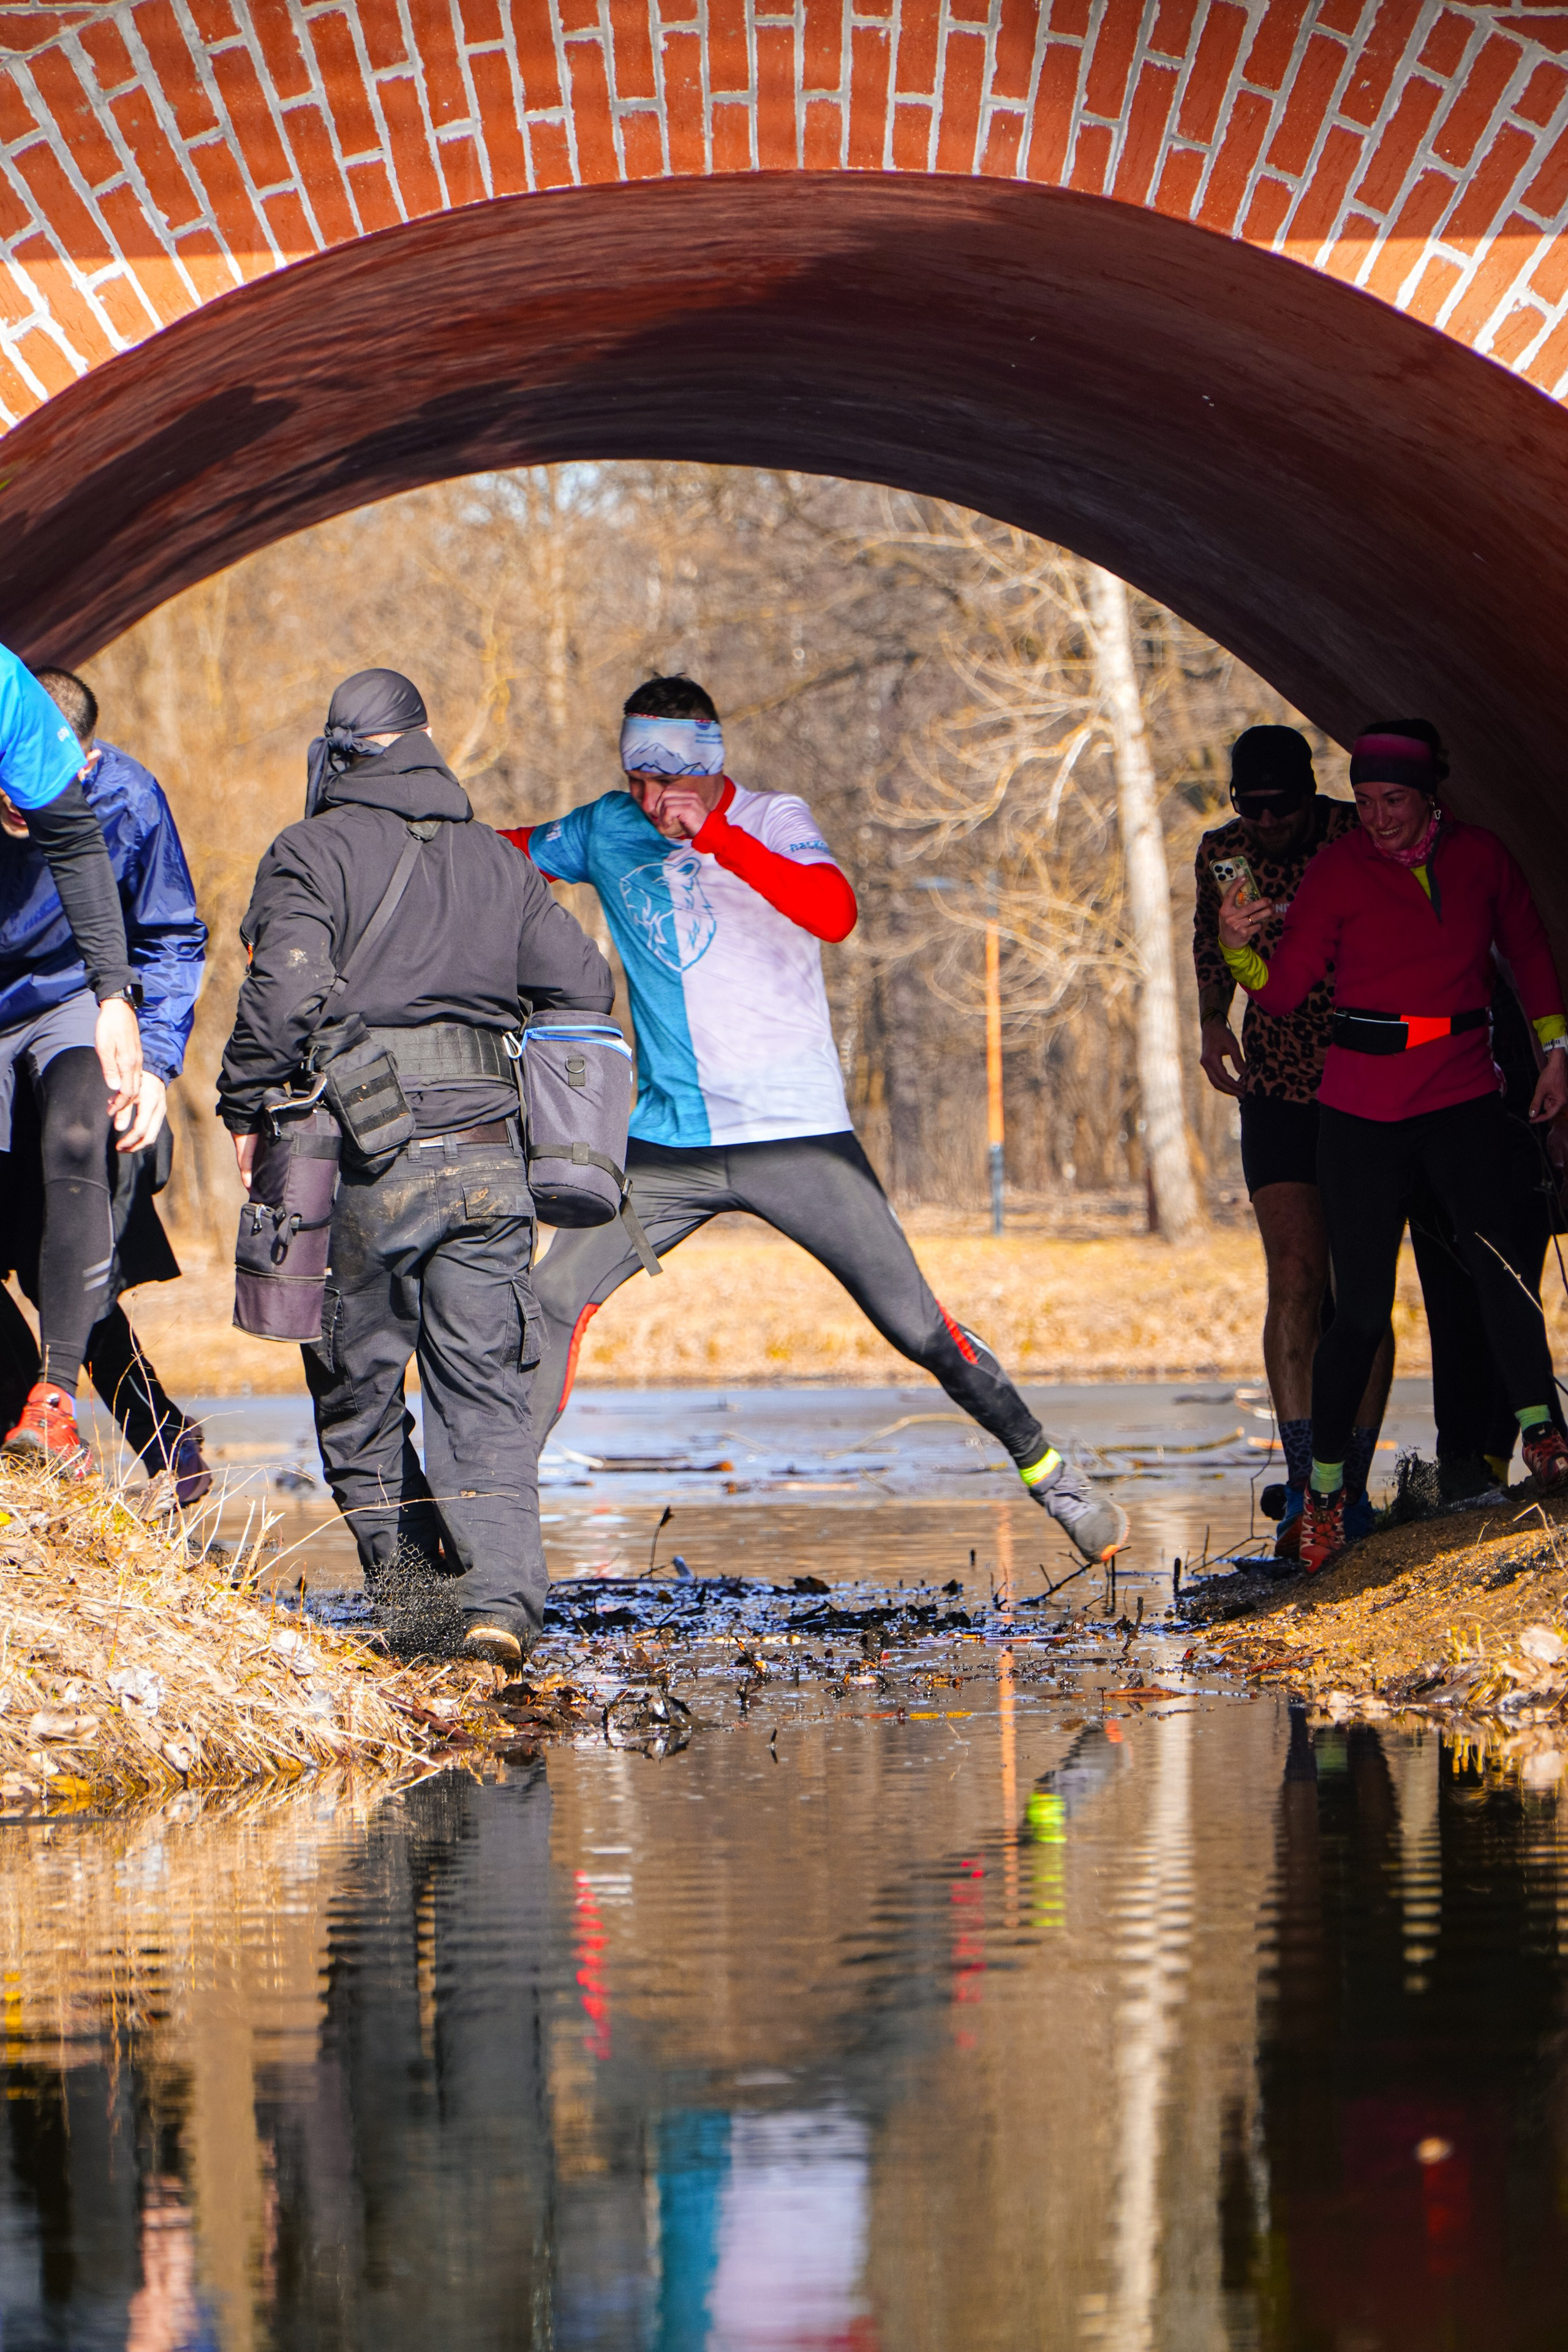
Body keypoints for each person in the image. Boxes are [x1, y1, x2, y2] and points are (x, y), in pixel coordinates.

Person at [499, 674, 1128, 1567]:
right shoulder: (605, 826)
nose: (650, 799)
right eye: (635, 778)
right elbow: (500, 858)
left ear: (710, 766)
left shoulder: (772, 817)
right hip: (666, 1145)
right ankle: (492, 1532)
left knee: (917, 1328)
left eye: (666, 780)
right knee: (553, 1299)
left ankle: (1053, 1474)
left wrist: (712, 835)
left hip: (793, 1136)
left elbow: (835, 913)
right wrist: (409, 839)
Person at [219, 669, 613, 1667]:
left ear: (337, 756)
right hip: (491, 1162)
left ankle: (420, 1616)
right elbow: (582, 983)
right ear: (425, 746)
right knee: (483, 1390)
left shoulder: (309, 852)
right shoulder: (496, 862)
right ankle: (500, 1613)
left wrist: (241, 1106)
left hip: (363, 1165)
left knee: (358, 1400)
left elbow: (285, 987)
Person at [1218, 719, 1568, 1572]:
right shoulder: (1341, 870)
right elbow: (1287, 990)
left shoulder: (1481, 857)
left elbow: (1526, 949)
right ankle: (1327, 1499)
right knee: (1362, 1313)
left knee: (1498, 1269)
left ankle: (1543, 1440)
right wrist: (1239, 950)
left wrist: (1556, 1051)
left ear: (1429, 796)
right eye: (1365, 801)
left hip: (1459, 1092)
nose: (1375, 818)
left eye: (1393, 802)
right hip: (1361, 1109)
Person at [0, 668, 210, 1501]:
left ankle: (71, 1416)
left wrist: (155, 1060)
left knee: (65, 1186)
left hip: (75, 1010)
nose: (21, 801)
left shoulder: (124, 798)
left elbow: (168, 934)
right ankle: (139, 1429)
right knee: (21, 1247)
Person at [1194, 726, 1394, 1555]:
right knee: (1296, 1277)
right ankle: (1304, 1474)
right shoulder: (1223, 851)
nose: (1269, 822)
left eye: (1283, 805)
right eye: (1254, 806)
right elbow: (1211, 943)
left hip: (1364, 1084)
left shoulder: (1358, 834)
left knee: (1363, 1290)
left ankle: (1347, 1481)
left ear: (1312, 794)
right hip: (1276, 1085)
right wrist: (1212, 1022)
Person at [0, 643, 152, 1468]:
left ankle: (59, 1399)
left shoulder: (12, 699)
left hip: (58, 995)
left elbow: (82, 852)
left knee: (71, 1135)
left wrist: (118, 1002)